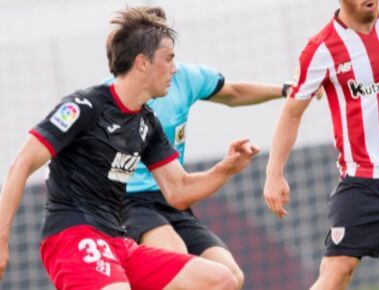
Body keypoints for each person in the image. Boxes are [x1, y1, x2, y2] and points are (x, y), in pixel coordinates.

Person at [0, 7, 260, 289]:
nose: (175, 68)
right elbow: (21, 163)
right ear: (142, 63)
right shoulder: (84, 107)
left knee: (220, 279)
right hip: (73, 236)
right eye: (169, 59)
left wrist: (226, 169)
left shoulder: (147, 123)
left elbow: (179, 190)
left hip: (118, 242)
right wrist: (1, 239)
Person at [101, 7, 287, 289]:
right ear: (143, 59)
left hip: (173, 198)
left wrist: (286, 90)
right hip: (129, 204)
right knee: (178, 267)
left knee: (230, 276)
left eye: (171, 53)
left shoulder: (184, 77)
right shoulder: (111, 98)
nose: (172, 63)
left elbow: (234, 93)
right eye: (166, 54)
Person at [262, 1, 379, 289]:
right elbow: (292, 112)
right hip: (364, 183)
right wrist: (274, 172)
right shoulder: (321, 48)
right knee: (338, 270)